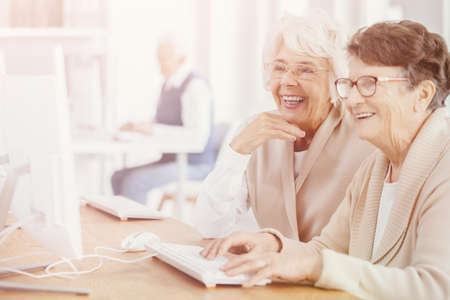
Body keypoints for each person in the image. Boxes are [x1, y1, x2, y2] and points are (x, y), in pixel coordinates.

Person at [201, 20, 450, 300]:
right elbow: (325, 249)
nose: (353, 99)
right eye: (351, 84)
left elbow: (437, 288)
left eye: (369, 84)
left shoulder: (443, 166)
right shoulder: (377, 167)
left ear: (423, 94)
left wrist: (317, 267)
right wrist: (273, 245)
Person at [194, 11, 374, 240]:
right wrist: (237, 151)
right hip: (272, 273)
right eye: (279, 68)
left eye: (306, 69)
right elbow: (209, 228)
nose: (287, 81)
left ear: (335, 78)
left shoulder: (364, 137)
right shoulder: (254, 131)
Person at [111, 34, 215, 204]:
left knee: (135, 182)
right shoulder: (168, 85)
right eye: (158, 58)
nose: (159, 64)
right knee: (118, 177)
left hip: (194, 166)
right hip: (171, 160)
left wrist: (153, 129)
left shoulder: (196, 87)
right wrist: (139, 126)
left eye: (164, 58)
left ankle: (138, 230)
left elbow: (197, 138)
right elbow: (164, 121)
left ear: (181, 58)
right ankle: (121, 228)